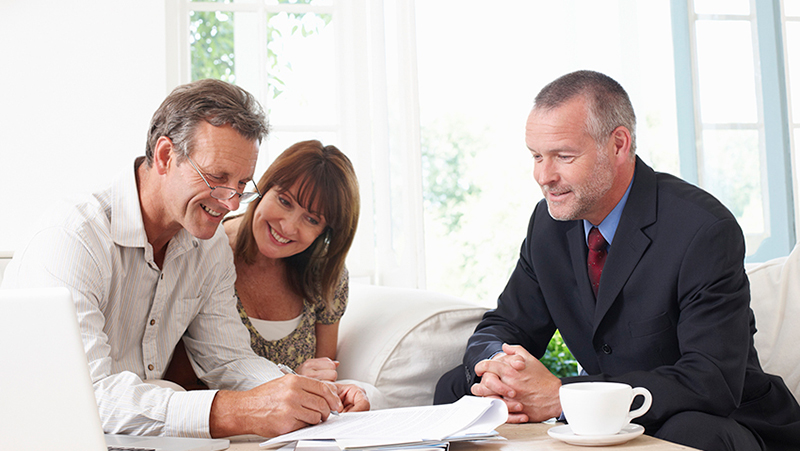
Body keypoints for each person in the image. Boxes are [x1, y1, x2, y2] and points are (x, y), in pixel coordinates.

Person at [434, 70, 800, 451]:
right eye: (537, 156)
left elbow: (710, 381)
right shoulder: (549, 224)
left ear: (619, 144)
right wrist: (497, 368)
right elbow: (504, 325)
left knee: (688, 432)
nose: (544, 176)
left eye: (563, 156)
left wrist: (563, 397)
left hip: (721, 420)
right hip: (611, 418)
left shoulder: (703, 230)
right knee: (456, 388)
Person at [2, 79, 368, 439]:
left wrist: (307, 396)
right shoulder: (73, 238)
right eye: (217, 177)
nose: (229, 202)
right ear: (165, 156)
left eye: (241, 185)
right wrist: (237, 411)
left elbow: (229, 360)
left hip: (143, 440)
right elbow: (86, 397)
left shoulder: (207, 249)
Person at [226, 140, 359, 382]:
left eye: (312, 220)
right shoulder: (206, 251)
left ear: (325, 232)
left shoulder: (325, 274)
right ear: (264, 189)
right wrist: (287, 382)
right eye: (284, 201)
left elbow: (322, 378)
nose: (287, 227)